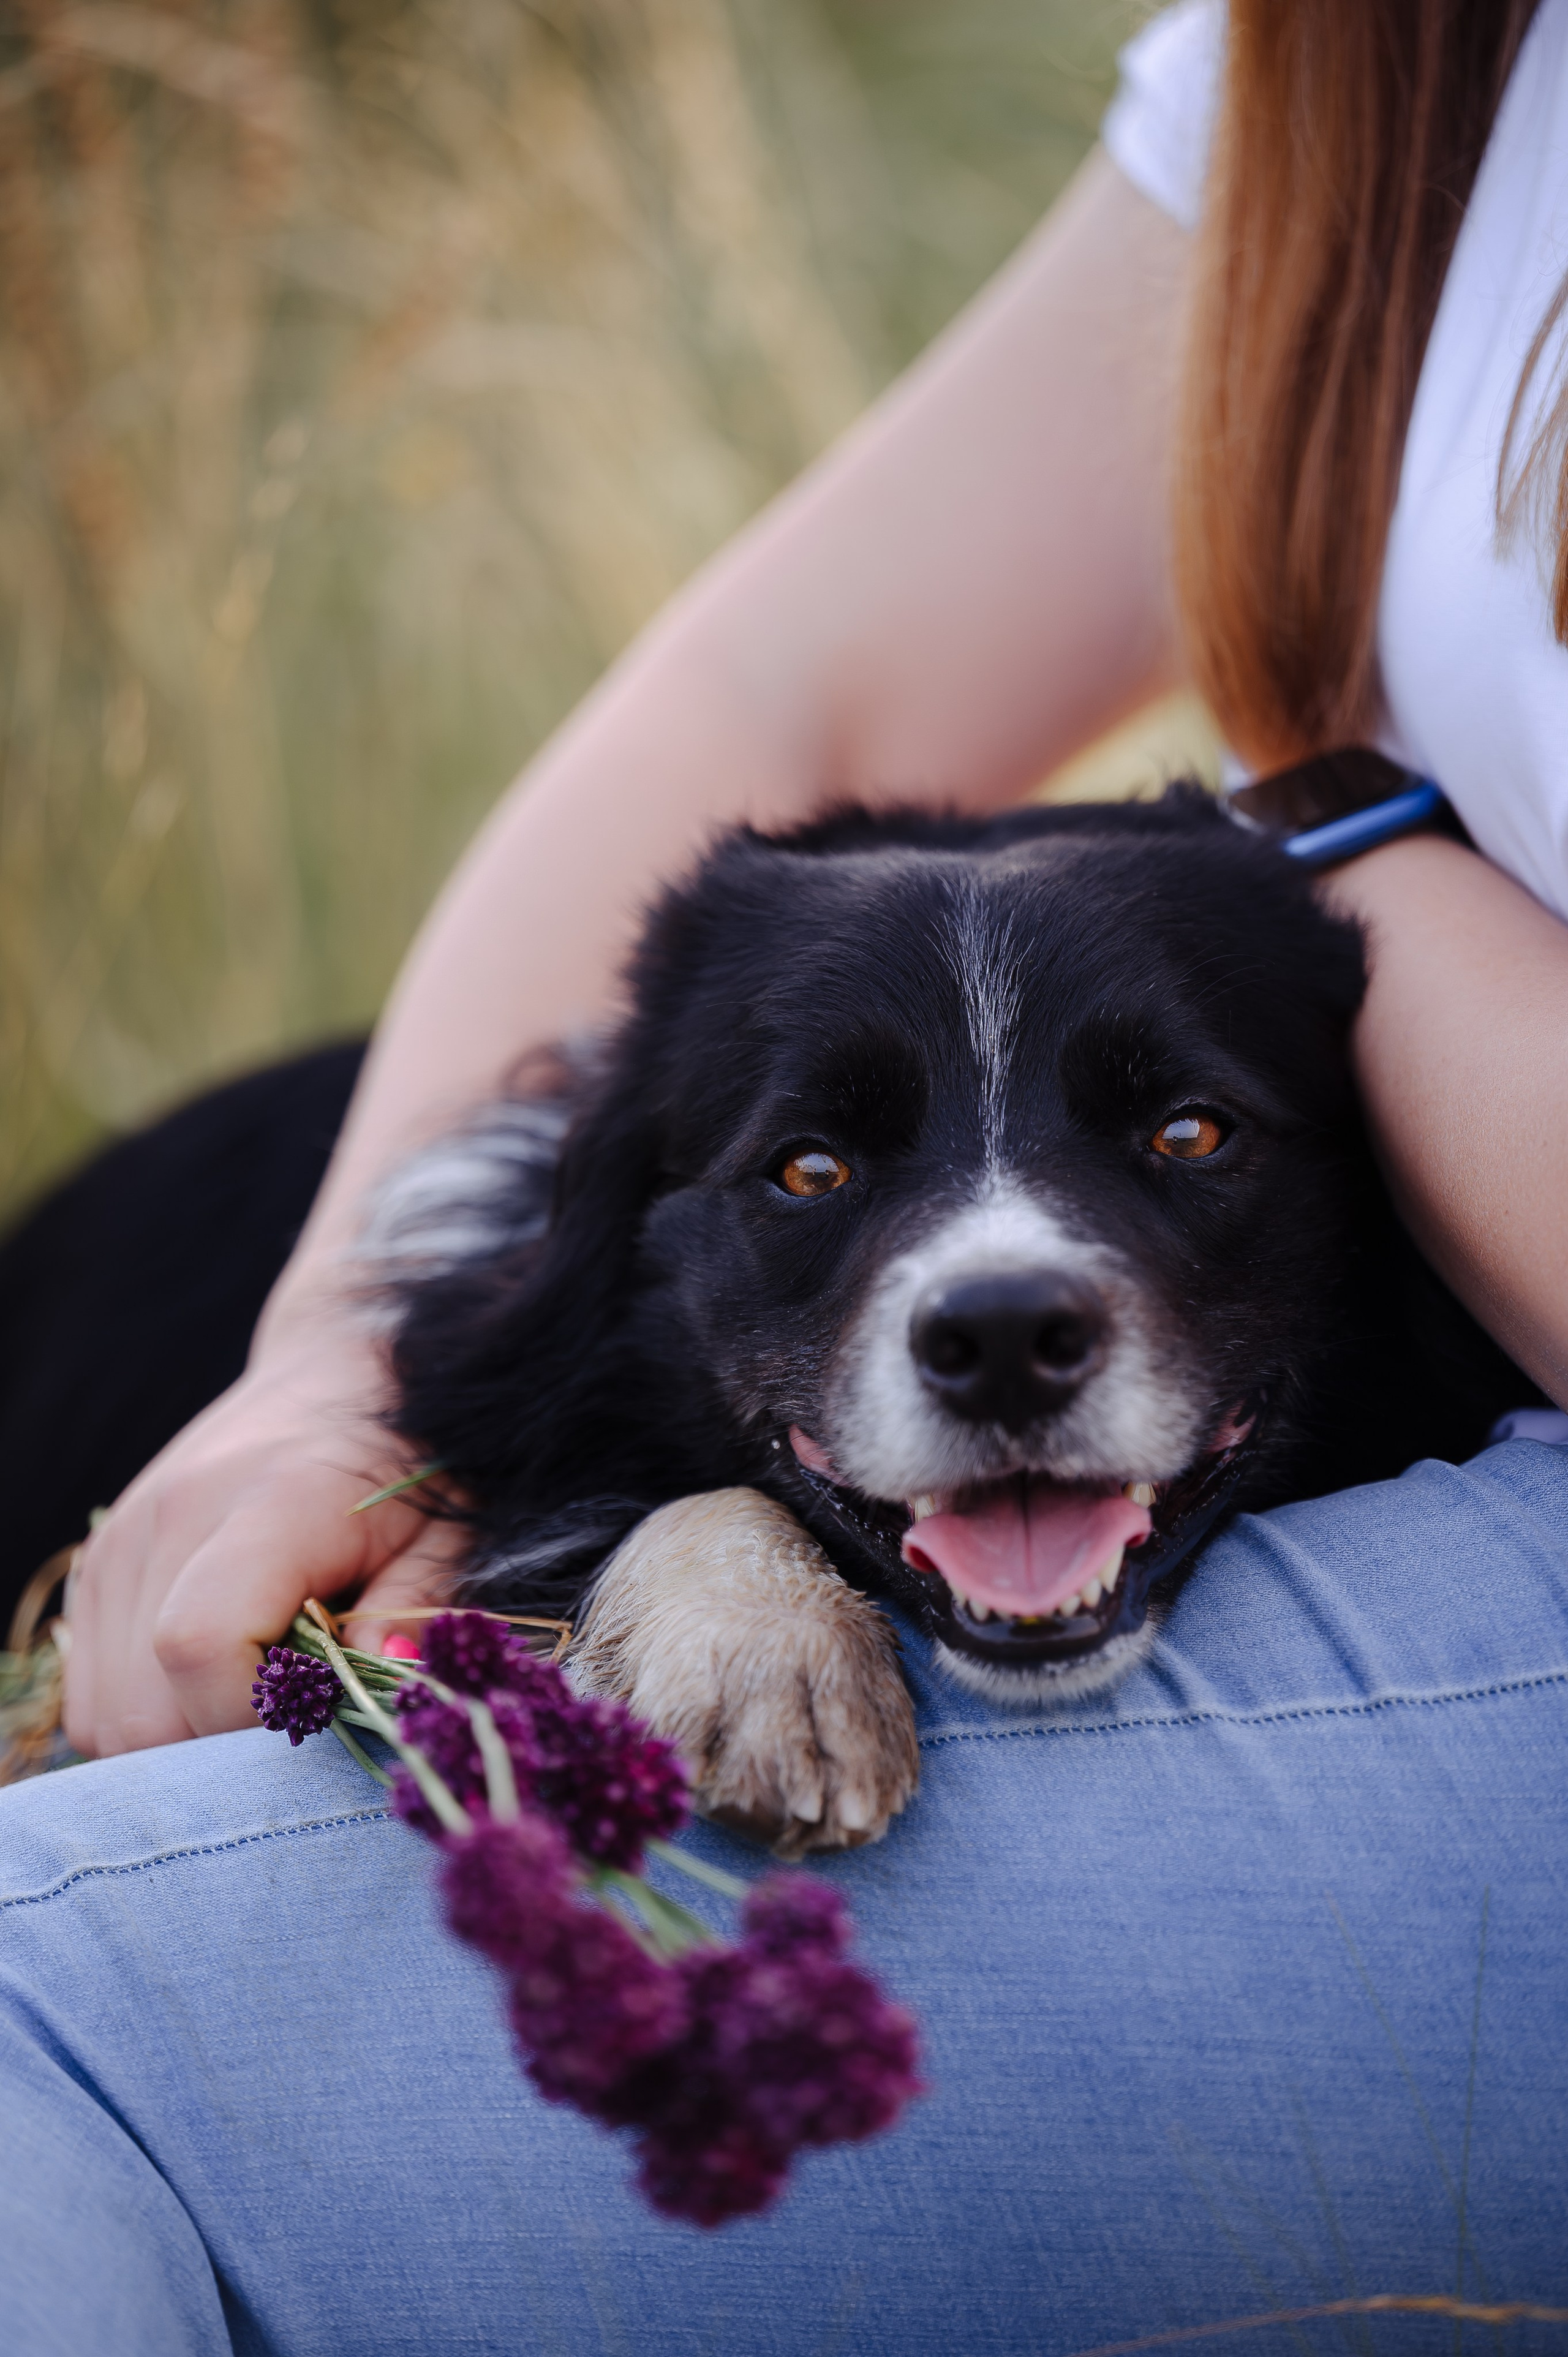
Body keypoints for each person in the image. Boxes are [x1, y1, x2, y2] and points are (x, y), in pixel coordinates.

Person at [4, 1, 1568, 2345]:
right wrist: (340, 1357)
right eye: (826, 1172)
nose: (1007, 1280)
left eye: (1181, 1143)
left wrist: (1363, 859)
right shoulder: (1372, 62)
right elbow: (790, 704)